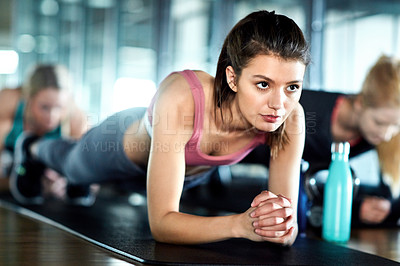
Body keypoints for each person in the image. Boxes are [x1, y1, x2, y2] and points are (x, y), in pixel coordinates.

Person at [10, 10, 310, 246]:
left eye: (292, 87)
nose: (279, 104)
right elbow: (163, 224)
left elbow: (287, 229)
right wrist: (242, 225)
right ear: (232, 78)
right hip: (122, 148)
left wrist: (278, 225)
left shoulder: (291, 119)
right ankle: (32, 147)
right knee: (72, 166)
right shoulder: (183, 96)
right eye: (263, 84)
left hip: (174, 174)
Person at [242, 55, 400, 227]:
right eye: (379, 123)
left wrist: (369, 207)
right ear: (360, 102)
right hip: (249, 180)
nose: (386, 135)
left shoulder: (379, 137)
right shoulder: (304, 109)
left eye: (396, 126)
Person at [0, 64, 91, 203]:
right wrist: (23, 181)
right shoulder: (9, 102)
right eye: (44, 107)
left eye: (59, 107)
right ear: (29, 99)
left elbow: (92, 177)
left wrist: (65, 180)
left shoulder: (76, 118)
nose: (52, 116)